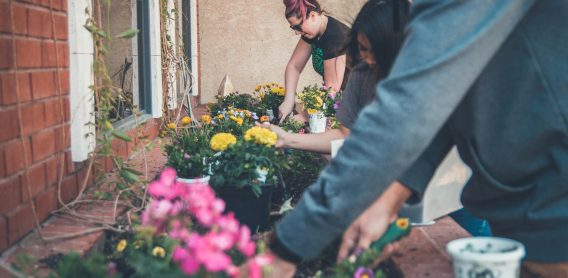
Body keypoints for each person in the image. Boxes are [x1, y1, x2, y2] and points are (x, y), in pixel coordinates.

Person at [264, 0, 568, 277]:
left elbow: (408, 109)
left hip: (549, 212)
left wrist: (289, 245)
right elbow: (437, 107)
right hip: (527, 215)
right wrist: (390, 198)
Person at [269, 0, 492, 237]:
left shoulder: (430, 73)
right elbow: (345, 135)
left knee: (477, 239)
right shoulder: (361, 74)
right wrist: (288, 139)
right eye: (362, 49)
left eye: (373, 50)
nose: (367, 59)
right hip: (400, 189)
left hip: (450, 182)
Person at [278, 0, 350, 122]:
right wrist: (288, 100)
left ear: (313, 16)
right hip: (341, 100)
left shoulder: (336, 37)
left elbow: (331, 91)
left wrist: (305, 116)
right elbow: (294, 66)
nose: (296, 32)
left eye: (298, 27)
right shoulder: (313, 33)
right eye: (293, 28)